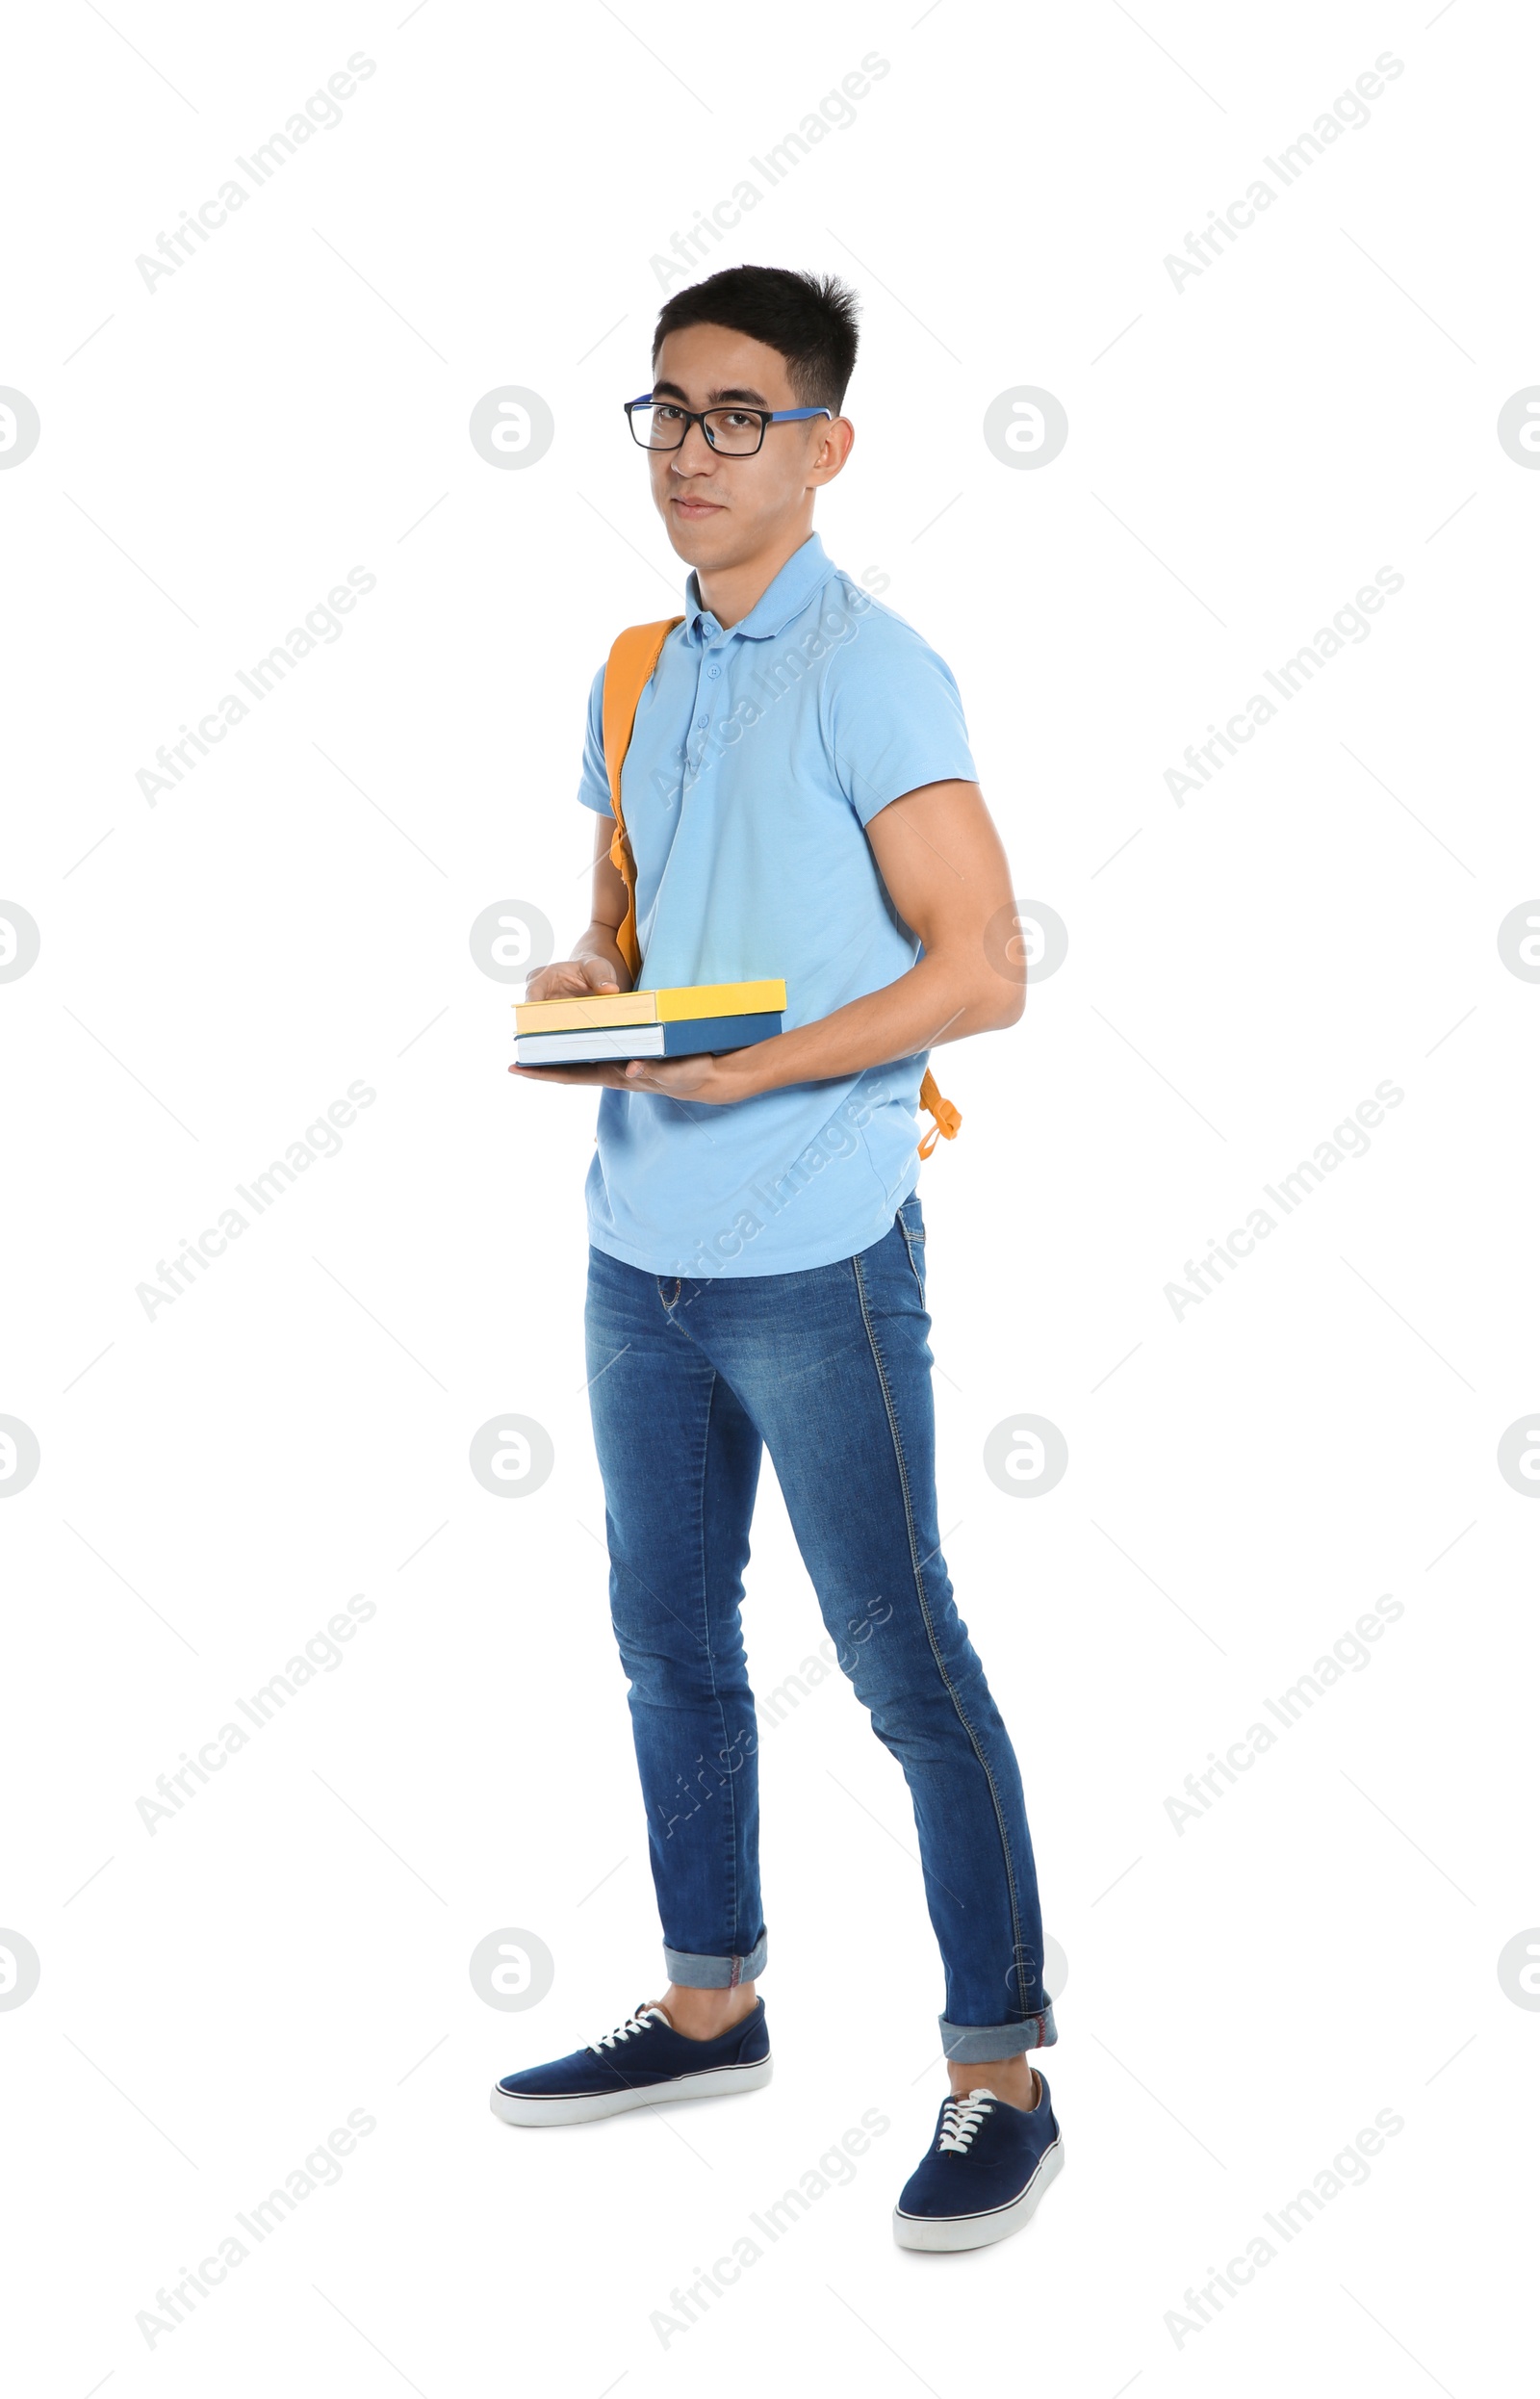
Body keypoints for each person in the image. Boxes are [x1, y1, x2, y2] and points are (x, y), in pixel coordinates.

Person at [493, 265, 1062, 2251]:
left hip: (816, 1246)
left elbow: (978, 970)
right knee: (668, 1644)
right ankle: (711, 1995)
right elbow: (620, 933)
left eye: (740, 414)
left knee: (902, 1659)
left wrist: (754, 1082)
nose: (690, 450)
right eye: (665, 409)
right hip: (629, 1245)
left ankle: (996, 2065)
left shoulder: (874, 668)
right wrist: (582, 984)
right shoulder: (633, 668)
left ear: (824, 445)